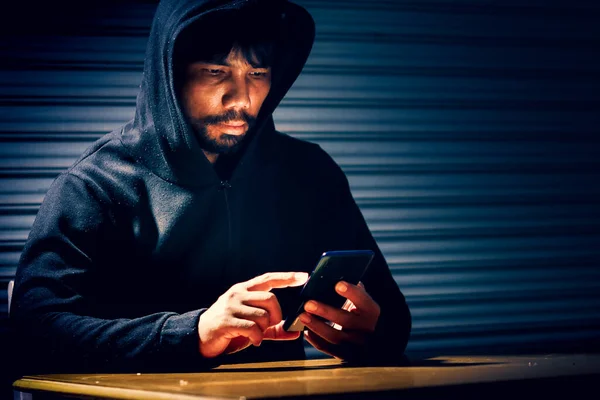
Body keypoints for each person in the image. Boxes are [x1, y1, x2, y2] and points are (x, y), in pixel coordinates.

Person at [10, 0, 411, 374]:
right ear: (171, 74)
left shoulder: (310, 172)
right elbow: (34, 330)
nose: (241, 97)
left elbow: (391, 316)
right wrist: (194, 333)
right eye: (215, 72)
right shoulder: (95, 185)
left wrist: (372, 334)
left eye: (257, 74)